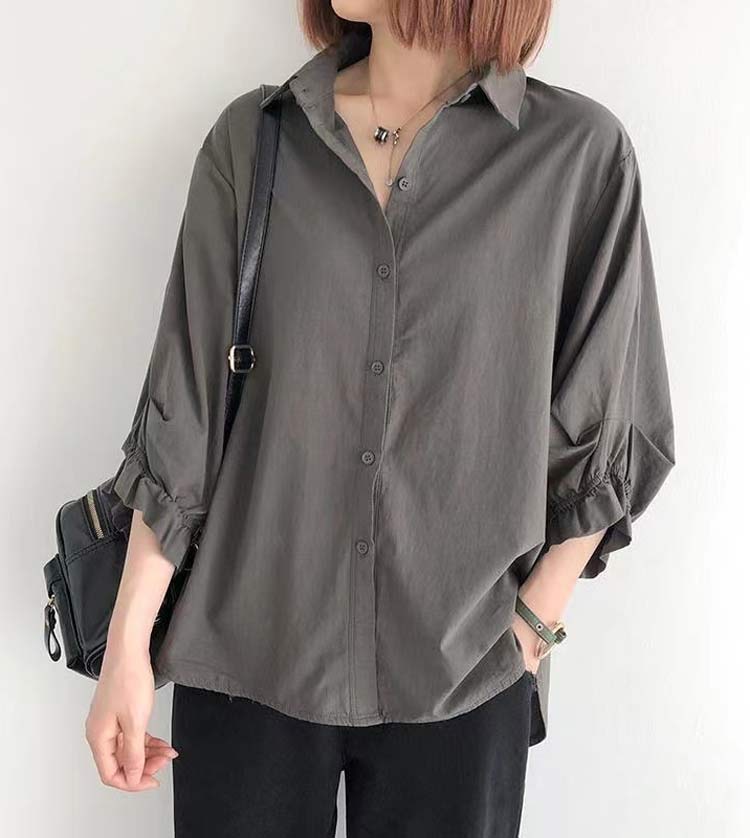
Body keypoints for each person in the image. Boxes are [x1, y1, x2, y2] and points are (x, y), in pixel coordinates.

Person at [84, 1, 676, 835]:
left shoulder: (576, 156)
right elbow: (183, 416)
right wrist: (127, 647)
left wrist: (532, 625)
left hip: (464, 671)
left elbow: (616, 415)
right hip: (245, 655)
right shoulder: (256, 142)